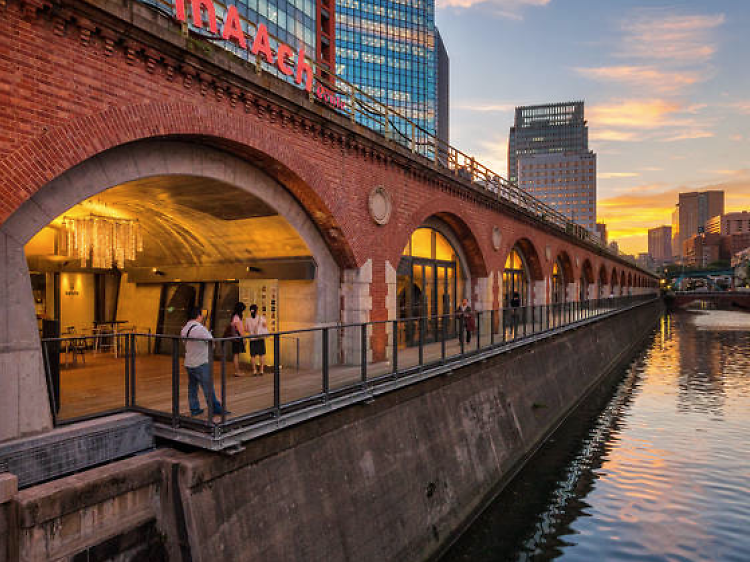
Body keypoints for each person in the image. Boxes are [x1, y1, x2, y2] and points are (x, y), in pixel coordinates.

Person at [181, 307, 227, 417]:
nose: (202, 317)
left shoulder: (184, 329)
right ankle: (215, 409)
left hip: (189, 362)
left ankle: (194, 408)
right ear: (198, 315)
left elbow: (184, 343)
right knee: (208, 387)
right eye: (201, 315)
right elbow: (212, 343)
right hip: (201, 362)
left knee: (192, 387)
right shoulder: (200, 329)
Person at [244, 304, 269, 376]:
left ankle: (254, 371)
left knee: (252, 356)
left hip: (252, 339)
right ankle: (261, 370)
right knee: (262, 355)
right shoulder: (261, 318)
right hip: (260, 338)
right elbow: (265, 326)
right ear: (257, 310)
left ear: (250, 311)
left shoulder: (247, 319)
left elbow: (246, 330)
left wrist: (251, 330)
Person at [229, 302, 246, 377]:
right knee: (236, 354)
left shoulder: (234, 316)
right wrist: (244, 338)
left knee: (236, 354)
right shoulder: (236, 317)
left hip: (235, 337)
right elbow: (239, 329)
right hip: (237, 337)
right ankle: (237, 371)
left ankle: (237, 370)